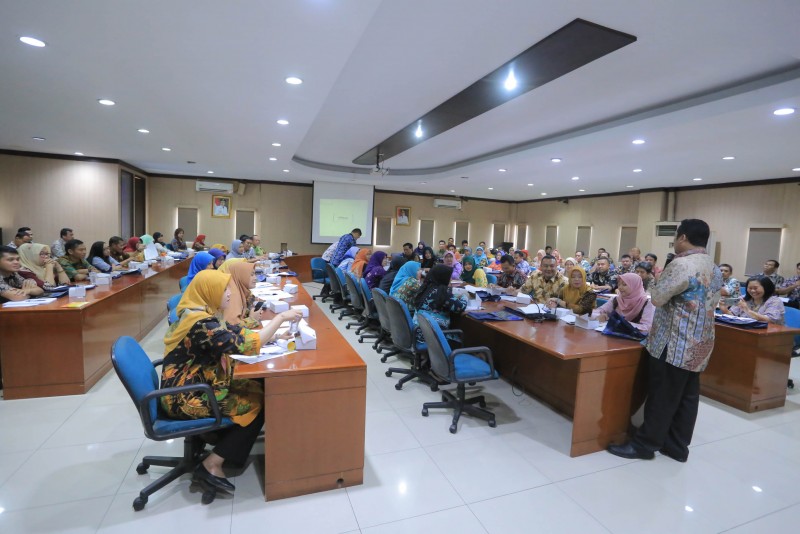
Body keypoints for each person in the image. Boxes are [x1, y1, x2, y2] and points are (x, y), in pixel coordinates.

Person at [161, 269, 302, 491]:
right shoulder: (202, 325)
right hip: (185, 396)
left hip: (190, 384)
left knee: (256, 386)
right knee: (257, 402)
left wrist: (274, 336)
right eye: (224, 289)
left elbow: (235, 332)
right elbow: (244, 345)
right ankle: (212, 463)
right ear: (209, 291)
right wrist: (281, 318)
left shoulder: (197, 313)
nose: (229, 293)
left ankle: (218, 440)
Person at [607, 219, 722, 463]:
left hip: (675, 342)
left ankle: (645, 445)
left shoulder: (681, 264)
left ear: (683, 237)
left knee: (662, 396)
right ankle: (677, 446)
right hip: (700, 342)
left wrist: (659, 278)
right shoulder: (714, 267)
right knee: (687, 397)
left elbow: (657, 298)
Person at [413, 264, 467, 343]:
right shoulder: (442, 292)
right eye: (449, 277)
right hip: (433, 338)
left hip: (418, 332)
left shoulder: (425, 287)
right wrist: (464, 296)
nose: (451, 279)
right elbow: (460, 307)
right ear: (444, 278)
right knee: (464, 340)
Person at [719, 276, 785, 325]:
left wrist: (747, 310)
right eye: (750, 288)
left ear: (766, 288)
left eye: (755, 288)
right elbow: (733, 317)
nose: (752, 291)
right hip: (747, 331)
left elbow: (770, 320)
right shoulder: (743, 298)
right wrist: (725, 310)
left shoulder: (775, 301)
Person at [223, 261, 264, 329]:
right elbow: (231, 327)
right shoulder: (232, 295)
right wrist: (252, 319)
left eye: (254, 274)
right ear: (241, 276)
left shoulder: (239, 290)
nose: (255, 278)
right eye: (251, 275)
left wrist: (250, 312)